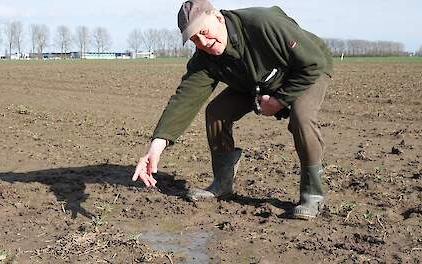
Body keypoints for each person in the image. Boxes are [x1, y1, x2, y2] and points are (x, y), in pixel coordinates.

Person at [132, 0, 333, 220]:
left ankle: (312, 195)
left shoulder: (263, 23)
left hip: (304, 70)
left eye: (204, 32)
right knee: (217, 112)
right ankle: (222, 184)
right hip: (256, 82)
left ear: (218, 17)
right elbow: (184, 99)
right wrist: (156, 146)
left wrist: (279, 101)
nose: (203, 42)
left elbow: (313, 63)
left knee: (301, 118)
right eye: (194, 40)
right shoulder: (205, 59)